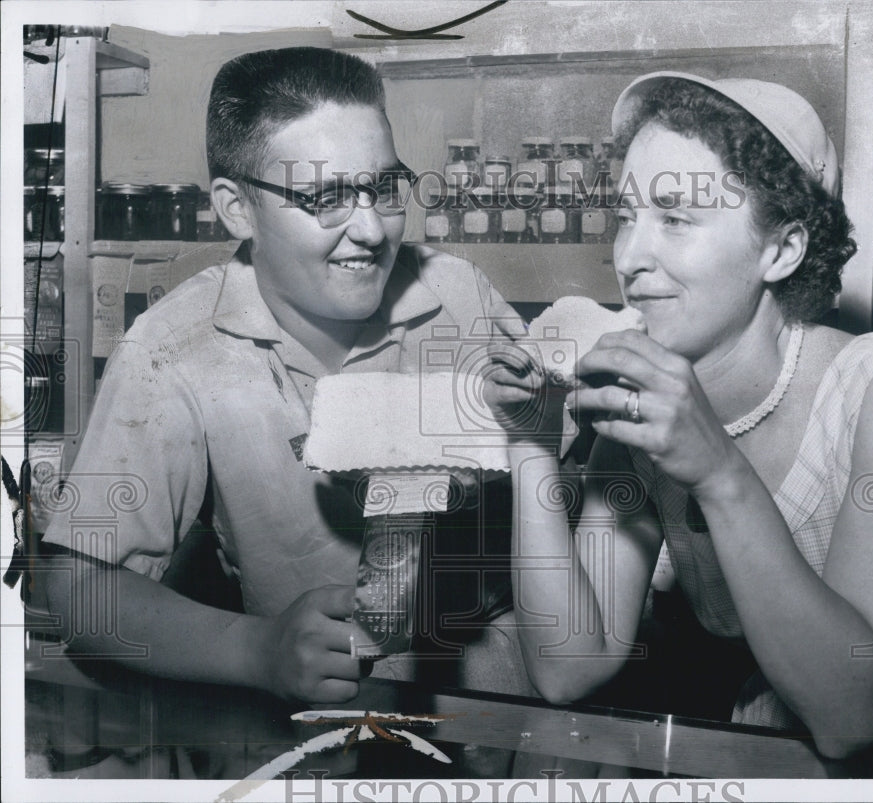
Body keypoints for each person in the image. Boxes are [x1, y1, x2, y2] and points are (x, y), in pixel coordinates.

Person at [487, 71, 873, 759]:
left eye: (676, 218)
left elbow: (851, 716)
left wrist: (717, 470)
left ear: (781, 249)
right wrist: (530, 442)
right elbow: (569, 665)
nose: (628, 259)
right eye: (626, 216)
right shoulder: (645, 395)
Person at [39, 47, 530, 705]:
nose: (369, 229)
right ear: (237, 208)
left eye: (383, 188)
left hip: (503, 711)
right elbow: (80, 591)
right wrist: (256, 648)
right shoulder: (172, 349)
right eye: (326, 196)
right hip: (316, 720)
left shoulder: (461, 297)